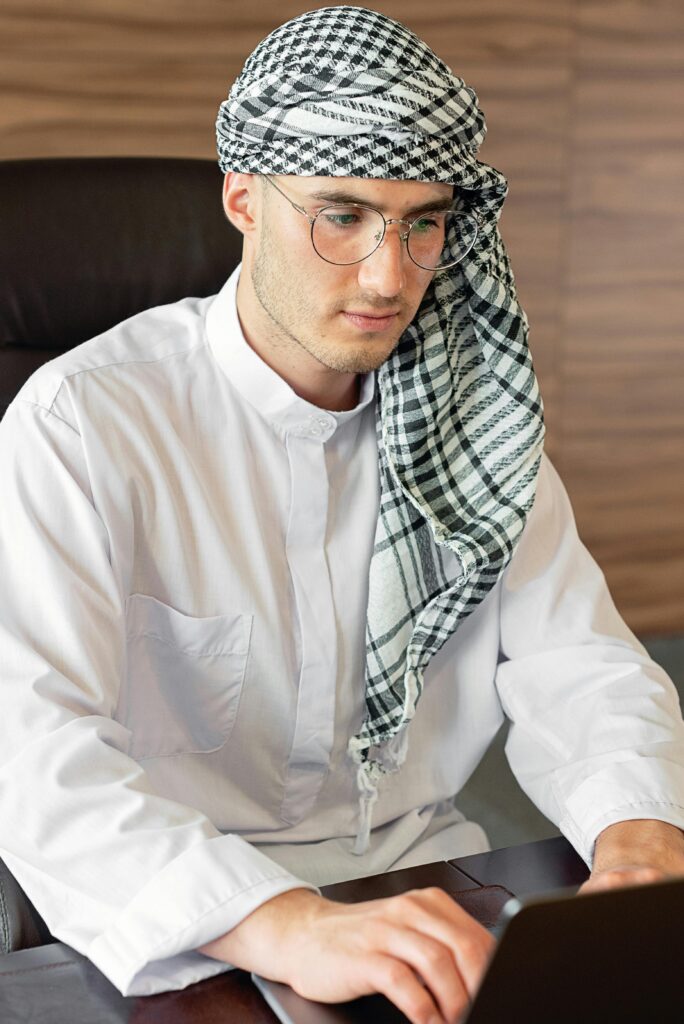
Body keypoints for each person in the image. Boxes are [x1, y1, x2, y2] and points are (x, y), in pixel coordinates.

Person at [1, 7, 683, 1023]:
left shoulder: (474, 416)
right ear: (242, 199)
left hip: (425, 897)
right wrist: (284, 923)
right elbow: (32, 751)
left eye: (423, 224)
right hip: (175, 924)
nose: (388, 276)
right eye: (342, 215)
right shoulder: (82, 423)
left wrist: (639, 832)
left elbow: (576, 662)